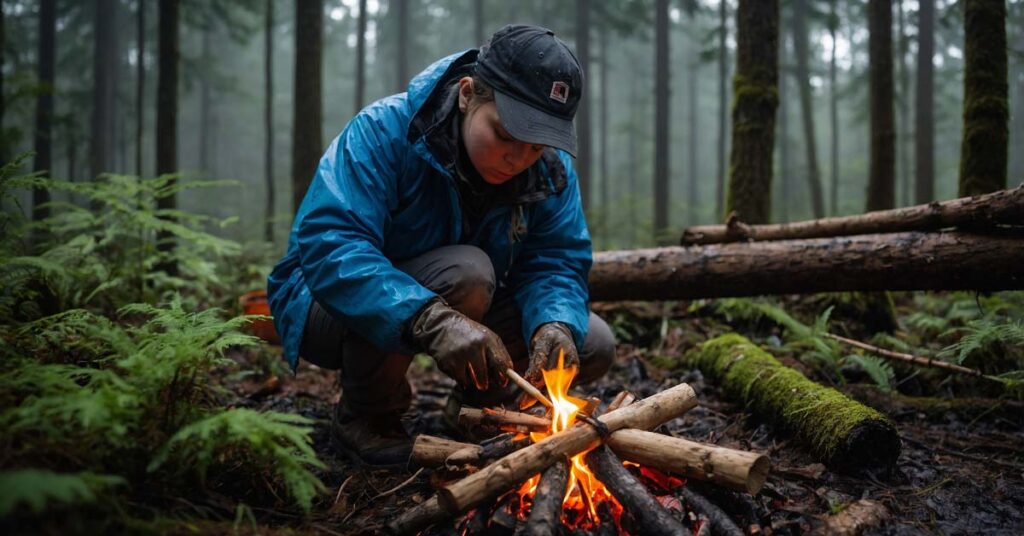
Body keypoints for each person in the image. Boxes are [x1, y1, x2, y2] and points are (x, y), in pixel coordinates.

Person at [267, 25, 615, 466]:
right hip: (323, 304)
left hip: (461, 293)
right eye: (506, 135)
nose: (518, 157)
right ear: (468, 93)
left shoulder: (548, 168)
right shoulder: (384, 132)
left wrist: (555, 322)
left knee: (589, 343)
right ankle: (368, 415)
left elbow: (555, 260)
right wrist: (428, 318)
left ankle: (481, 409)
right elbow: (331, 245)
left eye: (537, 144)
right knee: (467, 273)